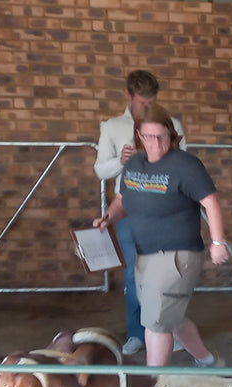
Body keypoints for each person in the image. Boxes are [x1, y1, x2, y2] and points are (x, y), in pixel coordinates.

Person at [93, 103, 227, 368]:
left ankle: (155, 385)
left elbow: (211, 202)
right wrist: (108, 216)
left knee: (156, 323)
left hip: (176, 256)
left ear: (171, 134)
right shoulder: (134, 165)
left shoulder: (185, 166)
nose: (156, 143)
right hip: (144, 255)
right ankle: (208, 360)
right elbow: (122, 199)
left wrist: (218, 242)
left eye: (162, 136)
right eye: (149, 136)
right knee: (169, 317)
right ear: (139, 136)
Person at [93, 70, 197, 356]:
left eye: (151, 100)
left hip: (168, 208)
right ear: (129, 97)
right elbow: (100, 170)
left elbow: (184, 163)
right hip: (131, 208)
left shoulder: (171, 123)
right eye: (141, 102)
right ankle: (138, 332)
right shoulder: (112, 127)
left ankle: (168, 329)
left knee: (171, 272)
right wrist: (120, 161)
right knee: (134, 276)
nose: (146, 106)